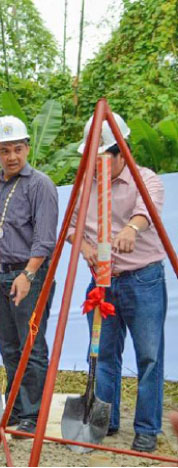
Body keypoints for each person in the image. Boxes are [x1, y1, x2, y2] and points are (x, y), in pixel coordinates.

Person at [68, 113, 167, 453]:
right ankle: (103, 420)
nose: (95, 164)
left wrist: (131, 229)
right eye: (91, 158)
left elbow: (147, 210)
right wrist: (85, 248)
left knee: (149, 357)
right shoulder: (85, 186)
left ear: (120, 152)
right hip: (102, 282)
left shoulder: (146, 179)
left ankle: (146, 429)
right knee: (102, 353)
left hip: (143, 279)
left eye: (101, 157)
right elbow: (70, 228)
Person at [0, 116, 58, 437]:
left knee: (31, 346)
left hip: (31, 274)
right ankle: (16, 409)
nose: (12, 156)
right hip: (1, 274)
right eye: (4, 150)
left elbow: (45, 239)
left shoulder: (41, 185)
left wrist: (29, 274)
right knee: (8, 346)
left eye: (17, 149)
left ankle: (33, 417)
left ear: (27, 148)